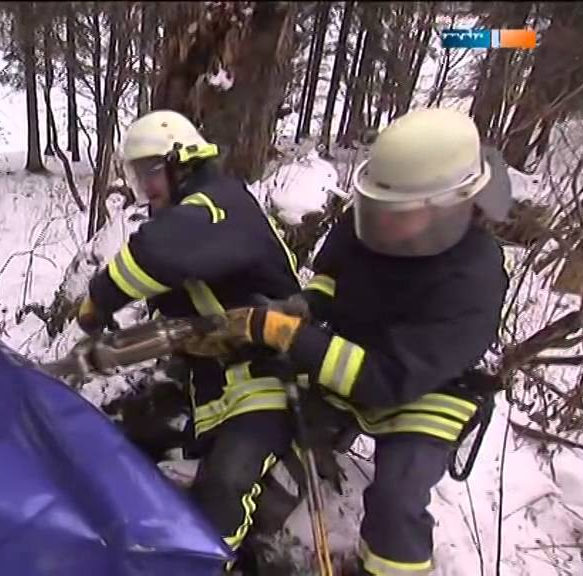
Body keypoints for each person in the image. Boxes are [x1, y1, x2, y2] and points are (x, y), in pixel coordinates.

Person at [213, 107, 512, 574]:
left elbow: (384, 380)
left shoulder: (473, 277)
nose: (382, 224)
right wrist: (308, 305)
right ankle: (258, 543)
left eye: (401, 215)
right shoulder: (377, 214)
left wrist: (294, 338)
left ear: (452, 206)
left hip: (426, 387)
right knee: (276, 440)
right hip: (351, 356)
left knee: (397, 500)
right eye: (378, 208)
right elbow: (335, 278)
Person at [76, 110, 302, 558]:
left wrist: (100, 297)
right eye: (137, 176)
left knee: (224, 488)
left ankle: (214, 564)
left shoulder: (221, 206)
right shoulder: (190, 220)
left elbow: (157, 255)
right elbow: (176, 325)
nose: (145, 189)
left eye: (149, 174)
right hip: (213, 390)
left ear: (182, 163)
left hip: (269, 383)